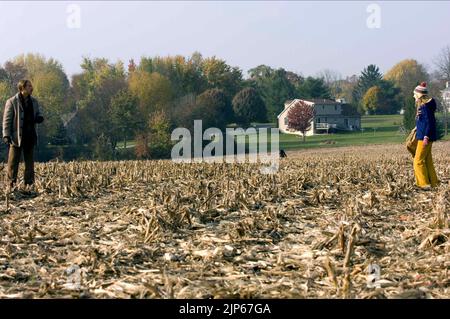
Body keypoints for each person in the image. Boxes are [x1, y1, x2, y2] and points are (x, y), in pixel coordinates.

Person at [2, 79, 44, 189]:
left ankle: (29, 186)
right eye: (29, 86)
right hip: (16, 138)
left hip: (30, 136)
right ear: (22, 88)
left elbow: (38, 113)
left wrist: (39, 118)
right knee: (12, 163)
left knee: (30, 164)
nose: (32, 88)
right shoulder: (11, 102)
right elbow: (7, 120)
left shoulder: (34, 102)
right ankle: (10, 186)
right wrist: (6, 135)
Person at [412, 82, 439, 190]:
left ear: (419, 95)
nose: (413, 96)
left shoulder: (424, 107)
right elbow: (425, 121)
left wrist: (426, 136)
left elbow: (430, 122)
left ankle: (424, 185)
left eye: (415, 94)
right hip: (426, 136)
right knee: (427, 160)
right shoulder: (425, 107)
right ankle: (434, 183)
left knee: (418, 161)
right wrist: (418, 117)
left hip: (424, 137)